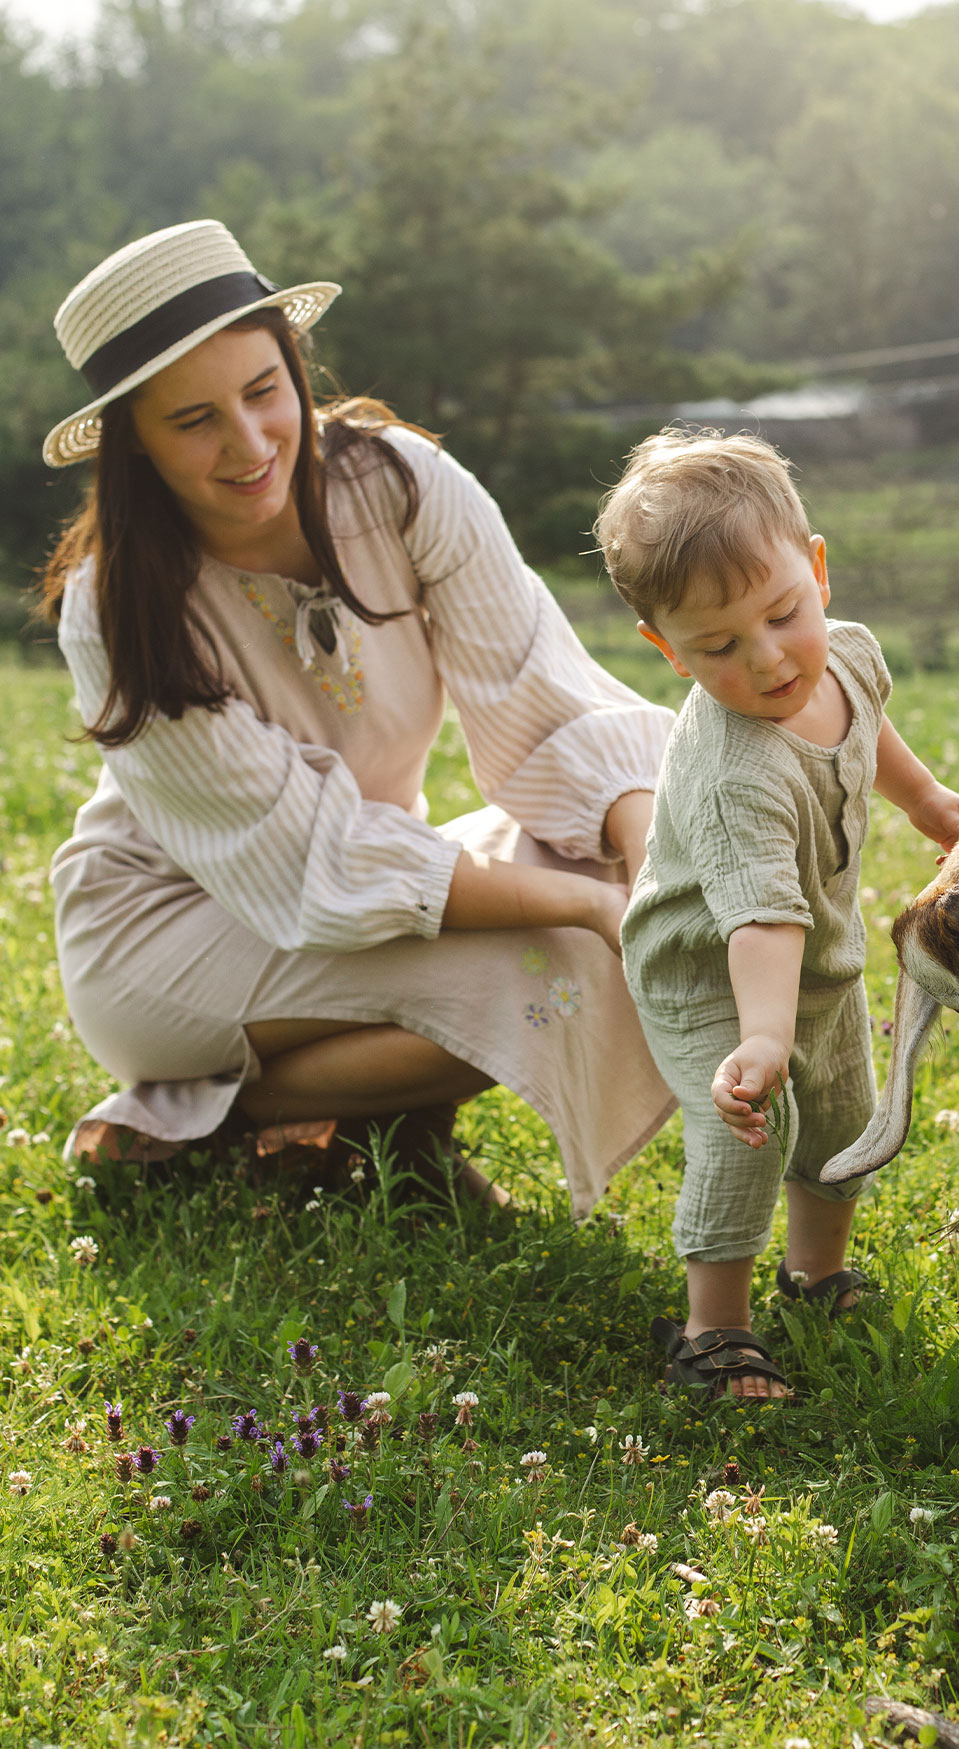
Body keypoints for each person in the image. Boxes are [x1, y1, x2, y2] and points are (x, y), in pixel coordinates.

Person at [41, 219, 677, 1212]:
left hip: (361, 881)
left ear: (295, 371)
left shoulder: (401, 486)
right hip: (164, 936)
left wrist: (645, 871)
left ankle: (342, 1136)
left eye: (263, 392)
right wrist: (595, 911)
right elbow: (312, 857)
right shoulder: (114, 605)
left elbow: (549, 709)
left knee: (595, 860)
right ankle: (233, 1125)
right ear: (135, 445)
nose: (249, 444)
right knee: (538, 972)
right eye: (192, 420)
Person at [597, 431, 959, 1398]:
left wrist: (925, 799)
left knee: (844, 1111)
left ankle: (815, 1275)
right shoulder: (737, 770)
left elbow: (869, 728)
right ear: (666, 651)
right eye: (718, 646)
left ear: (817, 571)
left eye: (782, 616)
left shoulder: (845, 655)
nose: (767, 660)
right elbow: (759, 922)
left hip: (817, 955)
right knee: (748, 1130)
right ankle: (712, 1331)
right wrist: (761, 1040)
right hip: (710, 972)